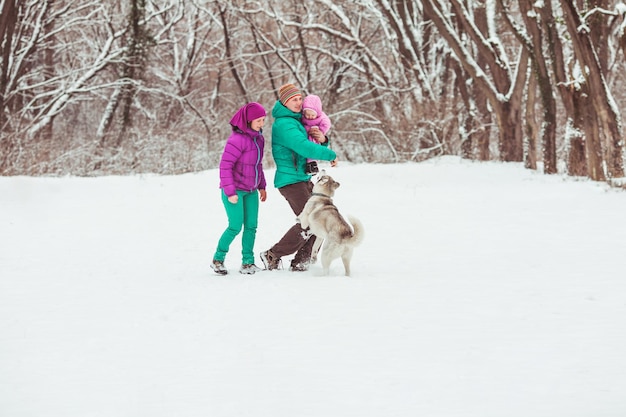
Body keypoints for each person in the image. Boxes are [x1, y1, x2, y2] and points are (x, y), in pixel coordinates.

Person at [260, 83, 337, 272]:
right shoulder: (284, 124)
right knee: (310, 220)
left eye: (300, 99)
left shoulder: (297, 121)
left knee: (320, 218)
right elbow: (303, 147)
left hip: (301, 177)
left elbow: (313, 137)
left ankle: (301, 262)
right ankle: (273, 254)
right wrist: (330, 155)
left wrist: (323, 140)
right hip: (290, 181)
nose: (298, 102)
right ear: (285, 103)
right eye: (293, 100)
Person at [211, 102, 268, 276]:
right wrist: (230, 192)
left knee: (251, 226)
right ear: (248, 120)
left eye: (263, 120)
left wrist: (262, 186)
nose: (262, 124)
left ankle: (248, 262)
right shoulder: (236, 140)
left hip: (251, 190)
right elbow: (225, 167)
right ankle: (218, 259)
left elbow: (257, 165)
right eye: (258, 120)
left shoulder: (259, 139)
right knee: (235, 226)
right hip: (234, 190)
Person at [301, 94, 333, 175]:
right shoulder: (301, 118)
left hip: (315, 135)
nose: (310, 117)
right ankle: (310, 166)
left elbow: (327, 124)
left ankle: (313, 164)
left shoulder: (322, 117)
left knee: (313, 147)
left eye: (312, 115)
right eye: (307, 114)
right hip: (306, 135)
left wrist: (320, 132)